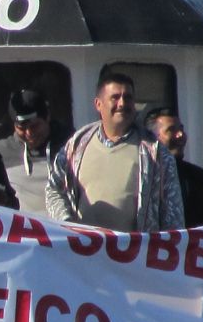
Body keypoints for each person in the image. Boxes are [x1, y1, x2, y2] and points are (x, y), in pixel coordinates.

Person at [45, 73, 184, 230]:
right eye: (115, 97)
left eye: (128, 97)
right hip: (84, 250)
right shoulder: (76, 146)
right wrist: (66, 223)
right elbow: (54, 190)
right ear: (98, 104)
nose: (122, 103)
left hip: (135, 252)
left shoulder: (157, 154)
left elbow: (174, 216)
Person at [0, 88, 72, 215]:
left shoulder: (71, 144)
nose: (29, 133)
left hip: (64, 229)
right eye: (21, 128)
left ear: (48, 117)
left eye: (35, 126)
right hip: (24, 230)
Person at [145, 108, 203, 227]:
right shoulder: (141, 176)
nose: (181, 135)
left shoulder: (199, 178)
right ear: (152, 138)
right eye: (171, 130)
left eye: (181, 129)